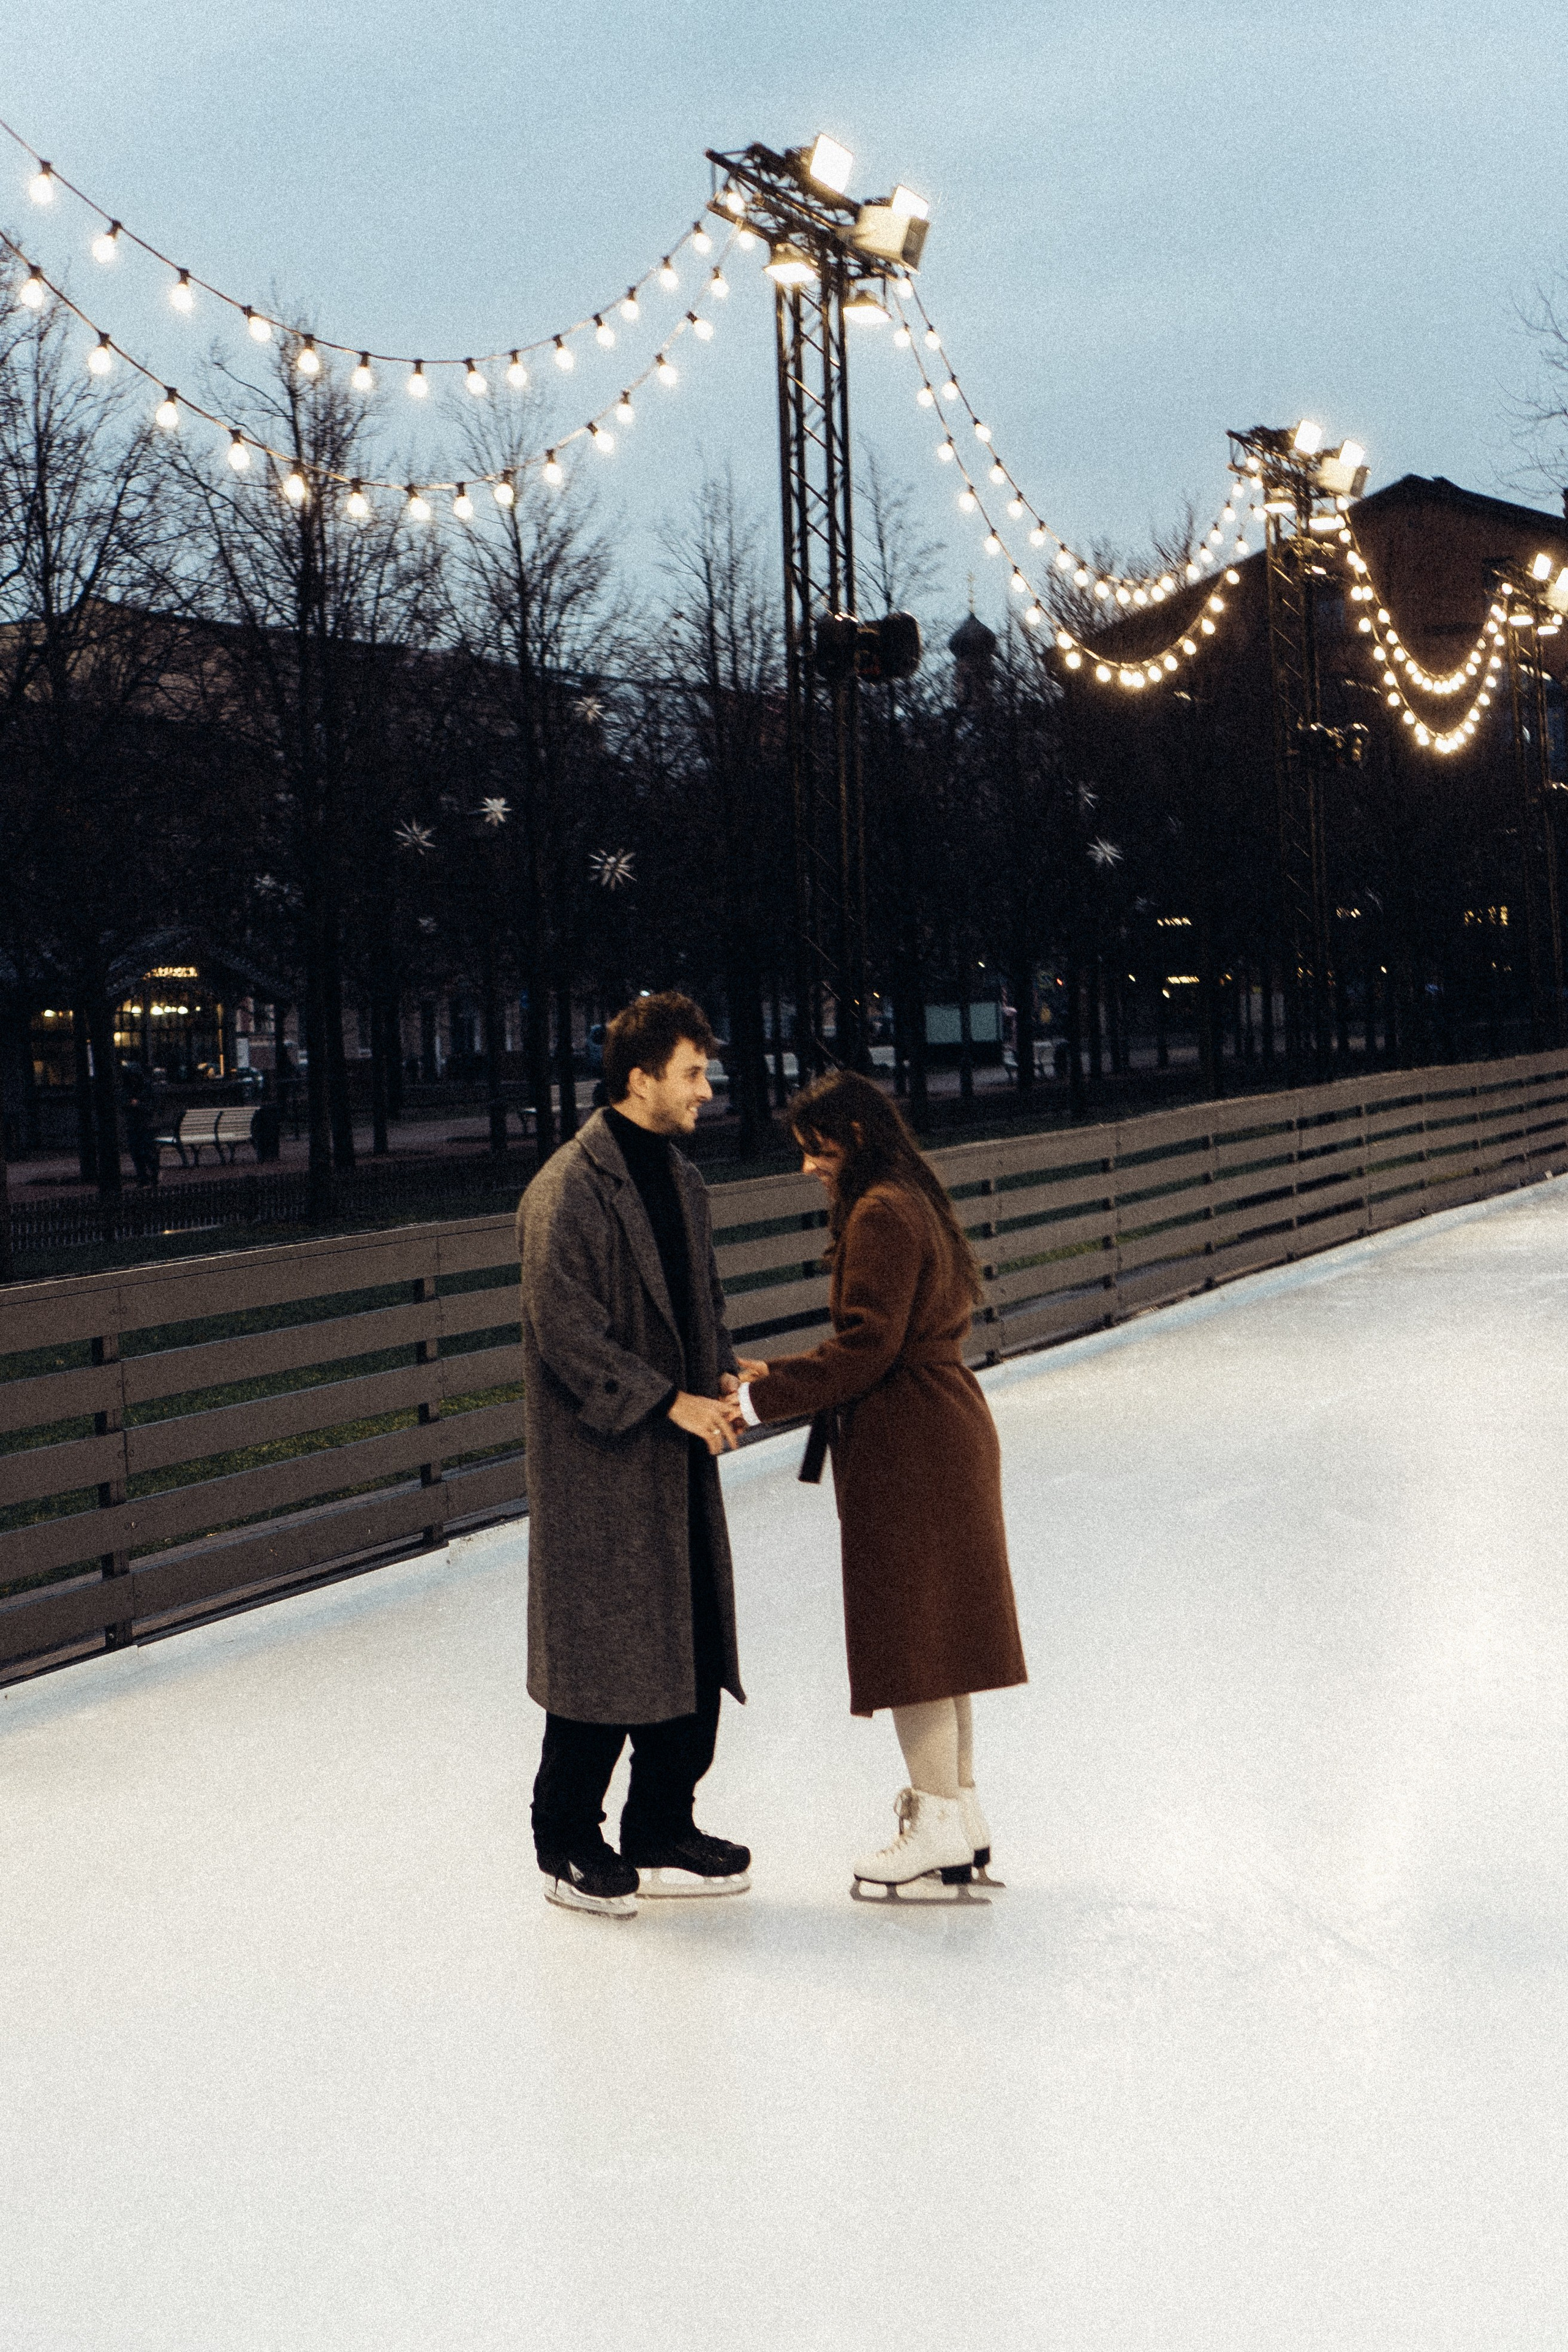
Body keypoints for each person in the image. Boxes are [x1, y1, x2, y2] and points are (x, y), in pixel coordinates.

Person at [735, 1069, 1027, 1898]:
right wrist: (785, 1373)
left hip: (910, 1443)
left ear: (854, 1138)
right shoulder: (908, 1199)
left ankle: (935, 1822)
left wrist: (758, 1397)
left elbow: (868, 1347)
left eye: (815, 1151)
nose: (807, 1168)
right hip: (939, 1428)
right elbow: (882, 1338)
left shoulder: (881, 1212)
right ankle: (961, 1818)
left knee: (914, 1638)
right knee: (944, 1635)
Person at [516, 992, 753, 1918]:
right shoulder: (566, 1190)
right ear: (641, 1076)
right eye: (693, 1073)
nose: (707, 1088)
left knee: (689, 1644)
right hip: (603, 1469)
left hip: (677, 1459)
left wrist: (724, 1371)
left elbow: (705, 1302)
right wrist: (671, 1403)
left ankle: (661, 1821)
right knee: (601, 1656)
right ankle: (567, 1837)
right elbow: (565, 1332)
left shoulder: (683, 1182)